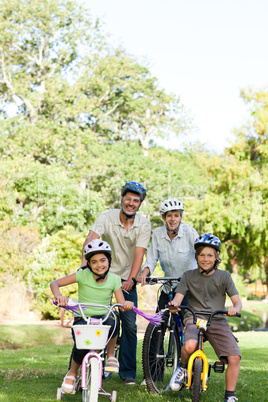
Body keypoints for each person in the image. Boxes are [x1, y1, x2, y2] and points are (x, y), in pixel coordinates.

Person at [81, 181, 151, 384]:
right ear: (121, 199)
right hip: (103, 275)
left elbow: (140, 253)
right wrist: (86, 270)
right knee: (98, 318)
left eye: (135, 201)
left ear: (139, 204)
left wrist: (131, 280)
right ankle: (93, 363)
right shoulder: (106, 216)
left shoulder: (144, 224)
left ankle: (127, 372)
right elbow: (90, 241)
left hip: (128, 278)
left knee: (129, 325)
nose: (131, 203)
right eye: (128, 198)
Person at [50, 239, 134, 394]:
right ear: (88, 264)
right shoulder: (82, 275)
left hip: (103, 316)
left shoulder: (115, 279)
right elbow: (54, 283)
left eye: (103, 260)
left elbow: (121, 304)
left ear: (109, 261)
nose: (99, 265)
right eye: (94, 262)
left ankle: (110, 356)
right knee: (81, 346)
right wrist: (59, 296)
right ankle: (72, 373)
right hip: (83, 317)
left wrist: (126, 305)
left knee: (114, 319)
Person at [169, 233, 242, 402]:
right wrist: (174, 305)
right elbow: (178, 298)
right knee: (190, 345)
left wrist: (233, 309)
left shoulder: (224, 276)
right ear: (196, 256)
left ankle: (230, 396)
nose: (205, 259)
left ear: (216, 257)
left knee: (234, 357)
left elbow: (237, 302)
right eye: (202, 255)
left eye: (210, 255)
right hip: (194, 318)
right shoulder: (189, 275)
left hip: (217, 319)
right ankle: (181, 369)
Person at [139, 198, 198, 310]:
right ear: (163, 217)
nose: (173, 219)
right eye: (169, 215)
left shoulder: (189, 232)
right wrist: (144, 274)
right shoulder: (158, 234)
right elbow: (151, 259)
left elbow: (201, 255)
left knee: (186, 323)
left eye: (176, 215)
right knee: (157, 322)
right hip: (168, 287)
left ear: (180, 217)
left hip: (188, 288)